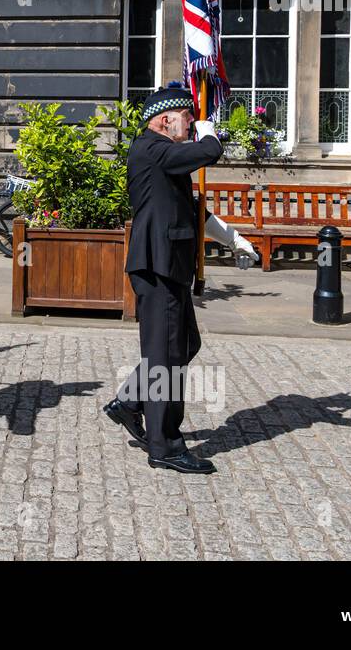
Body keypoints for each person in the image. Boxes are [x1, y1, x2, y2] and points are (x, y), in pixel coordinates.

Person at [103, 84, 258, 474]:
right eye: (187, 119)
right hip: (157, 265)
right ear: (165, 119)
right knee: (165, 360)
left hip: (170, 265)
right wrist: (209, 131)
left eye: (193, 120)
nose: (191, 126)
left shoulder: (165, 154)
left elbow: (192, 211)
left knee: (184, 344)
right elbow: (209, 151)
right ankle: (165, 445)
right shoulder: (153, 149)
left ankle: (129, 402)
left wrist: (234, 239)